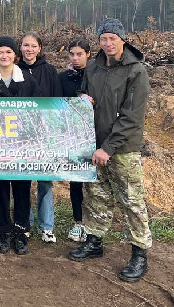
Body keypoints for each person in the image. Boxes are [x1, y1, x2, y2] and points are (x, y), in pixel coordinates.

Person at [68, 19, 152, 283]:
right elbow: (85, 93)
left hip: (122, 148)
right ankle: (95, 241)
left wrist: (108, 147)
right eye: (103, 39)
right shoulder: (93, 67)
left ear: (122, 40)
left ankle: (139, 253)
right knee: (97, 196)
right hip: (95, 145)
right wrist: (82, 97)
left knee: (132, 201)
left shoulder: (135, 71)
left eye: (112, 39)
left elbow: (131, 117)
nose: (108, 43)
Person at [0, 36, 41, 255]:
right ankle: (3, 231)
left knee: (21, 189)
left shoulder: (28, 81)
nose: (4, 56)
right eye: (0, 52)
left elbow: (39, 112)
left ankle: (20, 232)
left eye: (8, 52)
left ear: (15, 55)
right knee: (0, 190)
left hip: (22, 146)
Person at [18, 32, 60, 244]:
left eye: (33, 46)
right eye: (25, 45)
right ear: (21, 47)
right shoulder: (15, 71)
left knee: (45, 182)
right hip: (21, 136)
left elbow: (57, 102)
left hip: (45, 136)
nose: (29, 49)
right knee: (23, 182)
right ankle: (25, 223)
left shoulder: (50, 71)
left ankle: (47, 226)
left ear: (39, 48)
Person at [59, 39, 92, 242]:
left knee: (96, 183)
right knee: (76, 181)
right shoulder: (63, 78)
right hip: (73, 135)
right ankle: (78, 222)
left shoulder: (96, 75)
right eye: (72, 54)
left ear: (88, 54)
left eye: (80, 54)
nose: (75, 58)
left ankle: (94, 225)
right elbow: (56, 103)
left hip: (96, 134)